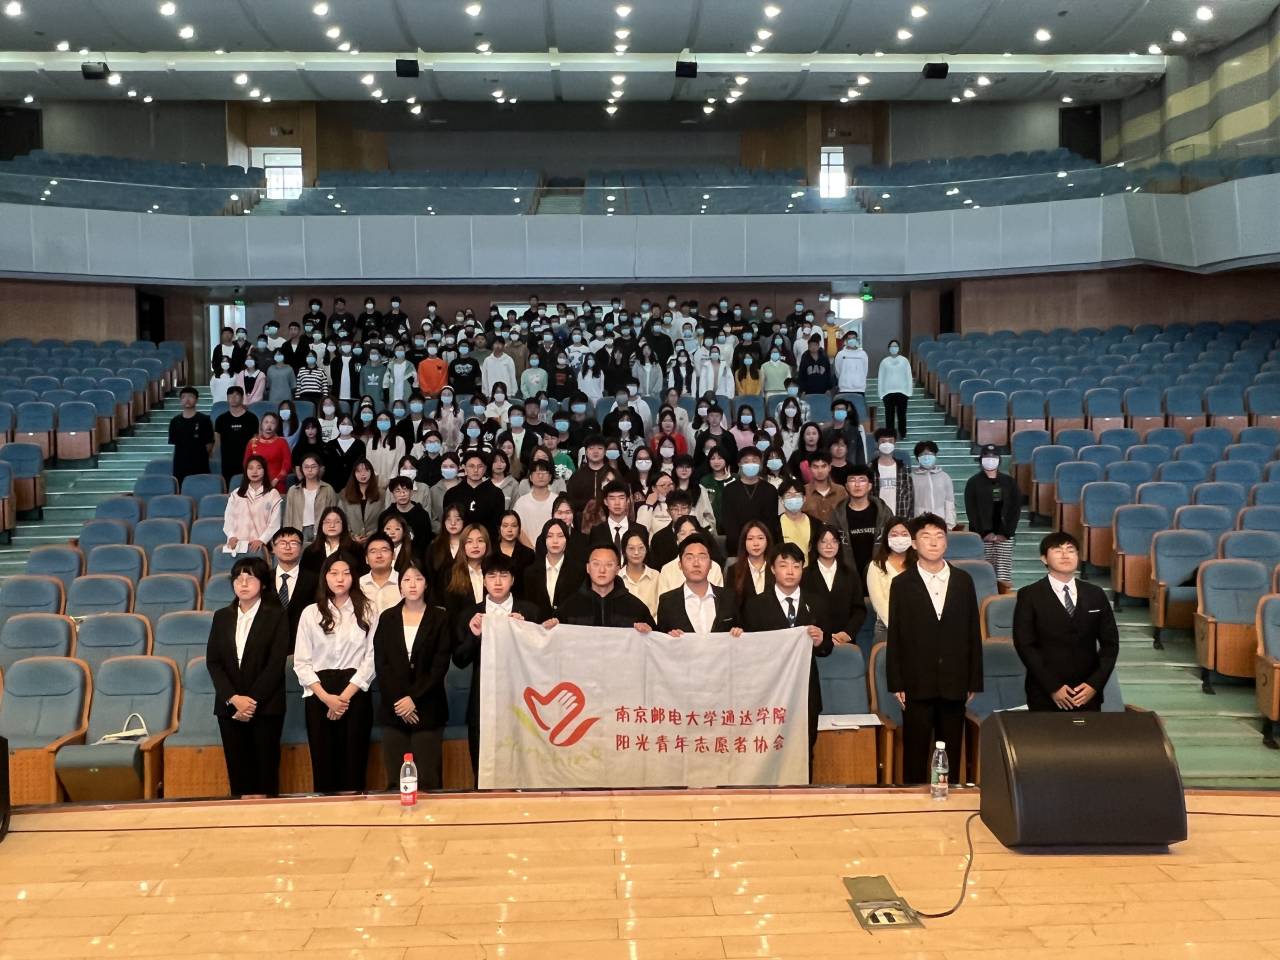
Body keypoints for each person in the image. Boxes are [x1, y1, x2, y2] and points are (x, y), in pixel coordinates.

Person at [885, 513, 983, 785]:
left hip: (954, 681)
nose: (933, 542)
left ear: (946, 542)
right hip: (916, 682)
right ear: (914, 544)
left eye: (939, 536)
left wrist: (973, 679)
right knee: (915, 752)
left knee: (950, 751)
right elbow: (896, 636)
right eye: (926, 537)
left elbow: (973, 632)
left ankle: (948, 799)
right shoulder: (902, 584)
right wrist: (897, 682)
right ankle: (913, 801)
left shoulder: (963, 580)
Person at [204, 555, 289, 797]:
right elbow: (214, 662)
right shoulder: (222, 616)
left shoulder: (276, 615)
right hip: (229, 707)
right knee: (238, 772)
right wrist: (233, 698)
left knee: (265, 772)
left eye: (249, 578)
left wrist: (251, 701)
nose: (243, 583)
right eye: (238, 578)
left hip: (266, 706)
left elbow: (275, 664)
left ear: (262, 583)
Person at [293, 553, 378, 794]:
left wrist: (344, 697)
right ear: (325, 577)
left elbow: (372, 658)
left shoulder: (368, 609)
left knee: (353, 763)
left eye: (346, 573)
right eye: (334, 573)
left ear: (354, 577)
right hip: (319, 693)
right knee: (324, 764)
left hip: (355, 692)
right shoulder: (310, 613)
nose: (340, 579)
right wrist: (327, 698)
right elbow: (301, 662)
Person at [453, 553, 542, 778]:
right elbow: (460, 660)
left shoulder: (530, 611)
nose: (498, 582)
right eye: (492, 576)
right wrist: (474, 636)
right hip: (483, 698)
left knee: (523, 762)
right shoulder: (470, 614)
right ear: (484, 581)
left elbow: (542, 659)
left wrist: (525, 632)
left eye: (504, 575)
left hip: (522, 698)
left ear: (513, 579)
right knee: (482, 764)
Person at [741, 542, 832, 760]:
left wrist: (820, 641)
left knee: (804, 751)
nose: (790, 571)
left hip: (806, 691)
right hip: (769, 692)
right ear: (772, 569)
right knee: (768, 753)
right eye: (784, 565)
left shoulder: (816, 603)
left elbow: (826, 649)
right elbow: (749, 652)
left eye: (796, 566)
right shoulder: (755, 606)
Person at [1013, 532, 1119, 712]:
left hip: (1087, 693)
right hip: (1044, 693)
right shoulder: (1029, 595)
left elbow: (1110, 644)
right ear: (1044, 559)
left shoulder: (1095, 594)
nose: (1065, 555)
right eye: (1057, 550)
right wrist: (1053, 687)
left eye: (1070, 550)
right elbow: (1025, 645)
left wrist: (1094, 685)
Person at [371, 561, 450, 790]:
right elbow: (382, 664)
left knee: (428, 779)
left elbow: (439, 665)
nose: (412, 584)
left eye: (418, 579)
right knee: (396, 781)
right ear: (400, 586)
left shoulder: (440, 617)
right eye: (406, 579)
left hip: (428, 707)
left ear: (426, 584)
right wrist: (400, 701)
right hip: (393, 709)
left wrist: (413, 699)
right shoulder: (387, 618)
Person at [549, 544, 656, 629]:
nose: (602, 570)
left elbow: (656, 640)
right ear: (588, 568)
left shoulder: (636, 608)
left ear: (617, 570)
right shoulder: (569, 608)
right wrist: (551, 628)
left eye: (609, 565)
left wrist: (648, 632)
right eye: (596, 564)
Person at [655, 534, 742, 635]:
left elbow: (742, 631)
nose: (696, 564)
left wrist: (739, 633)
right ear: (680, 565)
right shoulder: (667, 602)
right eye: (689, 558)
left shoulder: (729, 597)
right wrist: (670, 637)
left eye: (702, 557)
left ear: (711, 564)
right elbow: (660, 639)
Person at [964, 444, 1020, 591]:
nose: (990, 460)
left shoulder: (1009, 482)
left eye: (994, 457)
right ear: (981, 459)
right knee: (983, 575)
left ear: (999, 459)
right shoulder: (973, 482)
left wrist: (1006, 533)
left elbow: (1015, 509)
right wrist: (984, 533)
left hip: (1005, 537)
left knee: (1003, 578)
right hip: (982, 537)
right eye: (987, 457)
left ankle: (1002, 601)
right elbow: (972, 511)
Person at [802, 523, 867, 649]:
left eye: (834, 541)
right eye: (823, 541)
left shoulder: (850, 574)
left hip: (845, 642)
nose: (829, 545)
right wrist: (818, 636)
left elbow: (859, 610)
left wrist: (847, 633)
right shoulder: (805, 575)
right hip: (813, 642)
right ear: (815, 544)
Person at [831, 466, 892, 583]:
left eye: (862, 480)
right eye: (852, 480)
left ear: (870, 486)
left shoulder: (883, 512)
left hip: (879, 574)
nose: (857, 485)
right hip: (847, 576)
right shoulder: (837, 514)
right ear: (846, 486)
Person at [865, 517, 914, 649]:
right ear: (886, 538)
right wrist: (901, 628)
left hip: (917, 624)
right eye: (894, 534)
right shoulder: (877, 565)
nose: (899, 538)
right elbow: (879, 603)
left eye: (904, 534)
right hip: (887, 627)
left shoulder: (919, 564)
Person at [720, 448, 781, 550]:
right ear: (739, 464)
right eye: (746, 461)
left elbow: (772, 522)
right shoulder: (729, 490)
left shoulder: (770, 490)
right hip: (736, 546)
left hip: (764, 545)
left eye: (754, 461)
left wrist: (761, 541)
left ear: (760, 463)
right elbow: (728, 521)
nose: (751, 464)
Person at [521, 518, 581, 619]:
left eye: (560, 536)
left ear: (567, 539)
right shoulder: (530, 572)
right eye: (550, 536)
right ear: (544, 540)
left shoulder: (578, 571)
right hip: (539, 626)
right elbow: (528, 606)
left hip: (568, 626)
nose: (555, 541)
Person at [442, 450, 506, 541]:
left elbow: (498, 525)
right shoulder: (452, 494)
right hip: (459, 543)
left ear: (485, 468)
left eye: (480, 466)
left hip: (487, 543)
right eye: (471, 466)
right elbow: (447, 523)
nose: (475, 470)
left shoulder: (496, 493)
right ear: (464, 467)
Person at [269, 526, 318, 644]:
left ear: (301, 548)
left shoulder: (315, 580)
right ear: (273, 548)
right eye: (282, 543)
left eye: (293, 543)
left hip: (303, 643)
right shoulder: (263, 579)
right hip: (268, 643)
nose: (288, 547)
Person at [223, 456, 283, 553]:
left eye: (259, 468)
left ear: (264, 470)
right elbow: (228, 518)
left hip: (261, 547)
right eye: (250, 468)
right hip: (238, 546)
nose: (254, 471)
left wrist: (262, 540)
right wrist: (231, 536)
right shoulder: (236, 494)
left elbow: (275, 523)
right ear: (246, 471)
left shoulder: (272, 494)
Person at [282, 452, 338, 544]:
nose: (310, 470)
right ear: (301, 469)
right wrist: (287, 535)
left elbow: (334, 513)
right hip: (299, 530)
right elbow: (288, 516)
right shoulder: (293, 490)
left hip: (321, 530)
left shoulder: (327, 489)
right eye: (306, 467)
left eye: (313, 466)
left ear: (319, 468)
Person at [169, 386, 214, 484]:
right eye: (184, 397)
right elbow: (175, 445)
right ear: (180, 400)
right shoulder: (175, 421)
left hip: (200, 465)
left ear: (196, 400)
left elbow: (209, 444)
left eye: (190, 396)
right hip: (180, 467)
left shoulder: (204, 420)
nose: (187, 399)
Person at [214, 387, 259, 486]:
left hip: (247, 460)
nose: (233, 398)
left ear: (242, 398)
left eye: (237, 395)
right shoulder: (221, 419)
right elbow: (217, 442)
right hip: (227, 461)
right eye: (230, 395)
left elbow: (255, 441)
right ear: (227, 398)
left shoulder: (252, 418)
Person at [243, 412, 292, 494]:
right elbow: (246, 464)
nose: (269, 425)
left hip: (277, 484)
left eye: (272, 423)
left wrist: (276, 480)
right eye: (266, 422)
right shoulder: (252, 442)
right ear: (261, 425)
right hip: (256, 484)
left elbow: (287, 464)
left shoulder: (282, 442)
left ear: (276, 426)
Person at [870, 427, 914, 518]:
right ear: (877, 444)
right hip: (877, 517)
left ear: (895, 443)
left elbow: (909, 496)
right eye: (883, 441)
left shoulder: (903, 469)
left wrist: (908, 520)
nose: (887, 444)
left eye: (890, 441)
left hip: (899, 516)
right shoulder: (870, 469)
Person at [619, 526, 661, 620]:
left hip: (652, 627)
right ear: (624, 551)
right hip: (624, 627)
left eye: (641, 548)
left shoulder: (656, 576)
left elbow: (661, 608)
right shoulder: (617, 577)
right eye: (631, 548)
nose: (636, 552)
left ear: (646, 549)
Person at [911, 440, 955, 527]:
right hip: (919, 523)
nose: (927, 457)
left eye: (930, 454)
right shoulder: (911, 477)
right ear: (917, 458)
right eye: (923, 454)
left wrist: (950, 524)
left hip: (941, 522)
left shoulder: (944, 477)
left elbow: (949, 502)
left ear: (935, 456)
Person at [512, 460, 556, 548]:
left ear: (550, 477)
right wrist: (531, 548)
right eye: (537, 473)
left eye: (544, 472)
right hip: (527, 550)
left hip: (553, 548)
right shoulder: (521, 502)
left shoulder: (557, 501)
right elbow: (517, 527)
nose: (540, 476)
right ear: (530, 477)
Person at [878, 339, 912, 440]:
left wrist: (909, 392)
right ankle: (890, 434)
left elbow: (908, 376)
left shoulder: (904, 361)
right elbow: (881, 377)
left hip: (902, 392)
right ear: (889, 348)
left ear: (899, 348)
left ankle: (903, 433)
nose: (894, 348)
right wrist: (881, 393)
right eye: (892, 346)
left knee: (902, 415)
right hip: (887, 393)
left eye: (896, 346)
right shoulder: (884, 362)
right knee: (889, 416)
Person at [359, 533, 402, 614]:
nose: (379, 555)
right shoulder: (358, 585)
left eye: (384, 550)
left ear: (393, 555)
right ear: (366, 559)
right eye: (373, 551)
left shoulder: (403, 582)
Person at [802, 450, 847, 525]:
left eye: (824, 466)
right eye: (815, 467)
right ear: (809, 468)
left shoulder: (840, 491)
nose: (820, 471)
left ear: (829, 467)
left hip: (837, 532)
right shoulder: (803, 491)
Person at [778, 479, 817, 556]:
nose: (793, 498)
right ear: (782, 500)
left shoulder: (815, 524)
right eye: (788, 495)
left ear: (804, 498)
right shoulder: (774, 524)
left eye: (797, 495)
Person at [833, 331, 868, 396]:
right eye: (849, 338)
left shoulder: (863, 354)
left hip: (860, 388)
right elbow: (837, 371)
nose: (852, 340)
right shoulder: (840, 354)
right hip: (844, 389)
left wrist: (859, 380)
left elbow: (865, 370)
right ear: (846, 340)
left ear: (856, 340)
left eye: (853, 338)